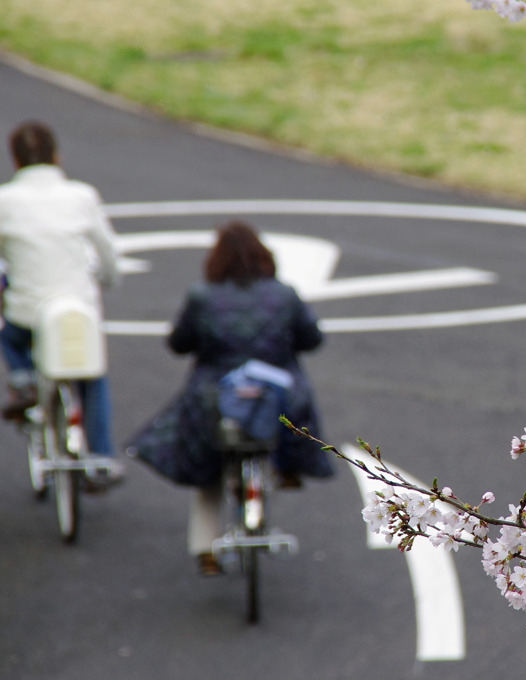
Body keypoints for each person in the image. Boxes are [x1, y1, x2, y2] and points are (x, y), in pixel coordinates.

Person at [125, 220, 334, 575]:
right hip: (276, 396)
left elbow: (179, 344)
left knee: (209, 467)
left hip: (216, 397)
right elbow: (312, 339)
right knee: (286, 416)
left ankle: (205, 550)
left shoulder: (202, 296)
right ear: (264, 256)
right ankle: (288, 467)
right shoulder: (284, 294)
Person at [0, 120, 122, 482]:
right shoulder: (82, 196)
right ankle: (101, 453)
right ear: (56, 157)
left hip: (29, 311)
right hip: (76, 310)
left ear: (16, 161)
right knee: (93, 375)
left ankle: (22, 376)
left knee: (10, 333)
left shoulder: (4, 200)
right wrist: (108, 280)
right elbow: (108, 253)